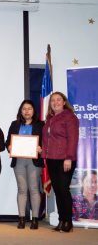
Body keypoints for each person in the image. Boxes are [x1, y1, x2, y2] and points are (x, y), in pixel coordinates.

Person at [42, 91, 79, 233]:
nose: (55, 102)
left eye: (58, 100)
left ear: (64, 102)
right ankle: (61, 220)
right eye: (53, 100)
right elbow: (47, 139)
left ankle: (68, 221)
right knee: (58, 191)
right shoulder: (50, 119)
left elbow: (73, 139)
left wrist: (69, 157)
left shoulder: (70, 117)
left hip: (65, 159)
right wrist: (42, 151)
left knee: (64, 190)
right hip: (51, 159)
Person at [5, 100, 44, 229]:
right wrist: (9, 146)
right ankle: (21, 219)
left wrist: (41, 148)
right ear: (20, 111)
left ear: (33, 111)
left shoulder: (40, 124)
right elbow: (7, 142)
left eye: (29, 109)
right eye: (24, 109)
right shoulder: (14, 124)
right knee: (22, 189)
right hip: (19, 160)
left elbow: (45, 142)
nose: (27, 111)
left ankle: (35, 219)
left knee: (33, 189)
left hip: (34, 160)